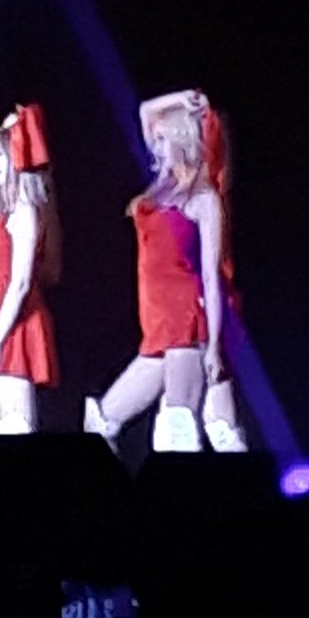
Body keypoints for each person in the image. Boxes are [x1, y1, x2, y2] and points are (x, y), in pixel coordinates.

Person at [84, 88, 244, 453]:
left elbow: (211, 277)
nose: (155, 148)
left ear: (182, 142)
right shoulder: (161, 189)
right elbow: (145, 110)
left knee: (178, 432)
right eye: (154, 140)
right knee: (101, 422)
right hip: (156, 326)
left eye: (163, 140)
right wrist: (184, 98)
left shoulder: (203, 198)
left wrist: (214, 346)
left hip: (185, 323)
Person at [0, 104, 61, 434]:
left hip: (15, 322)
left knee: (15, 423)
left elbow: (19, 284)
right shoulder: (4, 215)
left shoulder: (25, 212)